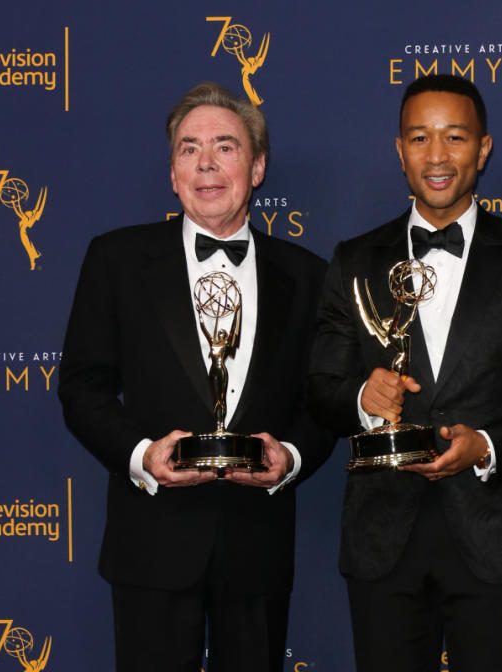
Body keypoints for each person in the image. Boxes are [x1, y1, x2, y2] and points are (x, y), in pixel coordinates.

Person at [308, 74, 502, 672]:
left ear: (483, 149)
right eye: (419, 138)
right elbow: (320, 389)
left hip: (496, 532)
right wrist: (364, 398)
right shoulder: (353, 260)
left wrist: (489, 444)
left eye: (455, 137)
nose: (436, 156)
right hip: (383, 536)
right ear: (399, 150)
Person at [58, 82, 334, 672]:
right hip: (151, 539)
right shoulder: (116, 260)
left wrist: (289, 455)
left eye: (225, 146)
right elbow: (83, 387)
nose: (206, 163)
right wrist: (140, 457)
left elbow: (325, 401)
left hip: (258, 543)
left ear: (257, 167)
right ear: (173, 173)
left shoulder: (309, 275)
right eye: (188, 149)